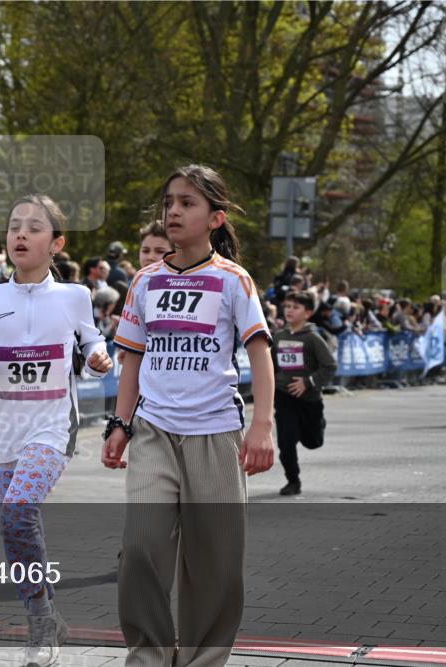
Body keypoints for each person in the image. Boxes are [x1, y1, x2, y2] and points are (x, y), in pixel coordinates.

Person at [102, 164, 275, 667]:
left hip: (216, 436)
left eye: (187, 203)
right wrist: (120, 423)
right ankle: (150, 658)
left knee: (214, 567)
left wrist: (261, 425)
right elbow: (132, 358)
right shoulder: (145, 280)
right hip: (154, 432)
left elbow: (260, 353)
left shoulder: (234, 281)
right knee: (140, 550)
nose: (173, 210)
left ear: (216, 218)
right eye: (170, 201)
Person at [0, 194, 112, 667]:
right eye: (14, 226)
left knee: (18, 512)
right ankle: (42, 612)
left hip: (51, 425)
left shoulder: (74, 296)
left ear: (56, 243)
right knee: (18, 525)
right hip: (4, 429)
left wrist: (101, 362)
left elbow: (93, 344)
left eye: (34, 227)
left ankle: (41, 623)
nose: (20, 234)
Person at [271, 290, 337, 496]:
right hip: (284, 397)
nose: (289, 310)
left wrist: (308, 382)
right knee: (285, 442)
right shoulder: (278, 336)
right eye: (287, 306)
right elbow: (271, 367)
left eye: (295, 307)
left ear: (307, 313)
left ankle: (318, 426)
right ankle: (293, 480)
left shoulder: (313, 338)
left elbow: (329, 366)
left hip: (309, 399)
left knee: (312, 441)